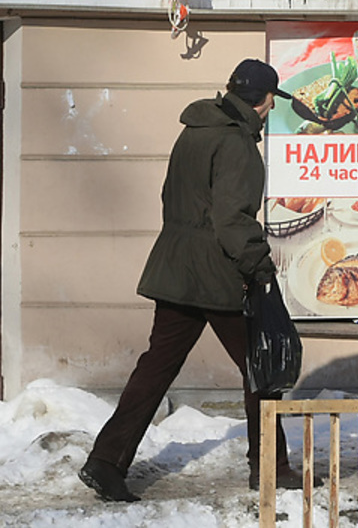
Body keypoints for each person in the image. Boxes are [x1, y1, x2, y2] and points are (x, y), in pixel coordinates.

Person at [78, 58, 314, 502]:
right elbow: (232, 220)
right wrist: (260, 270)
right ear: (263, 101)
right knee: (260, 369)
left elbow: (171, 196)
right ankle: (271, 468)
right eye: (269, 102)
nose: (268, 111)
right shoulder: (238, 145)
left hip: (175, 267)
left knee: (156, 367)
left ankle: (106, 462)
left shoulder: (194, 131)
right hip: (219, 274)